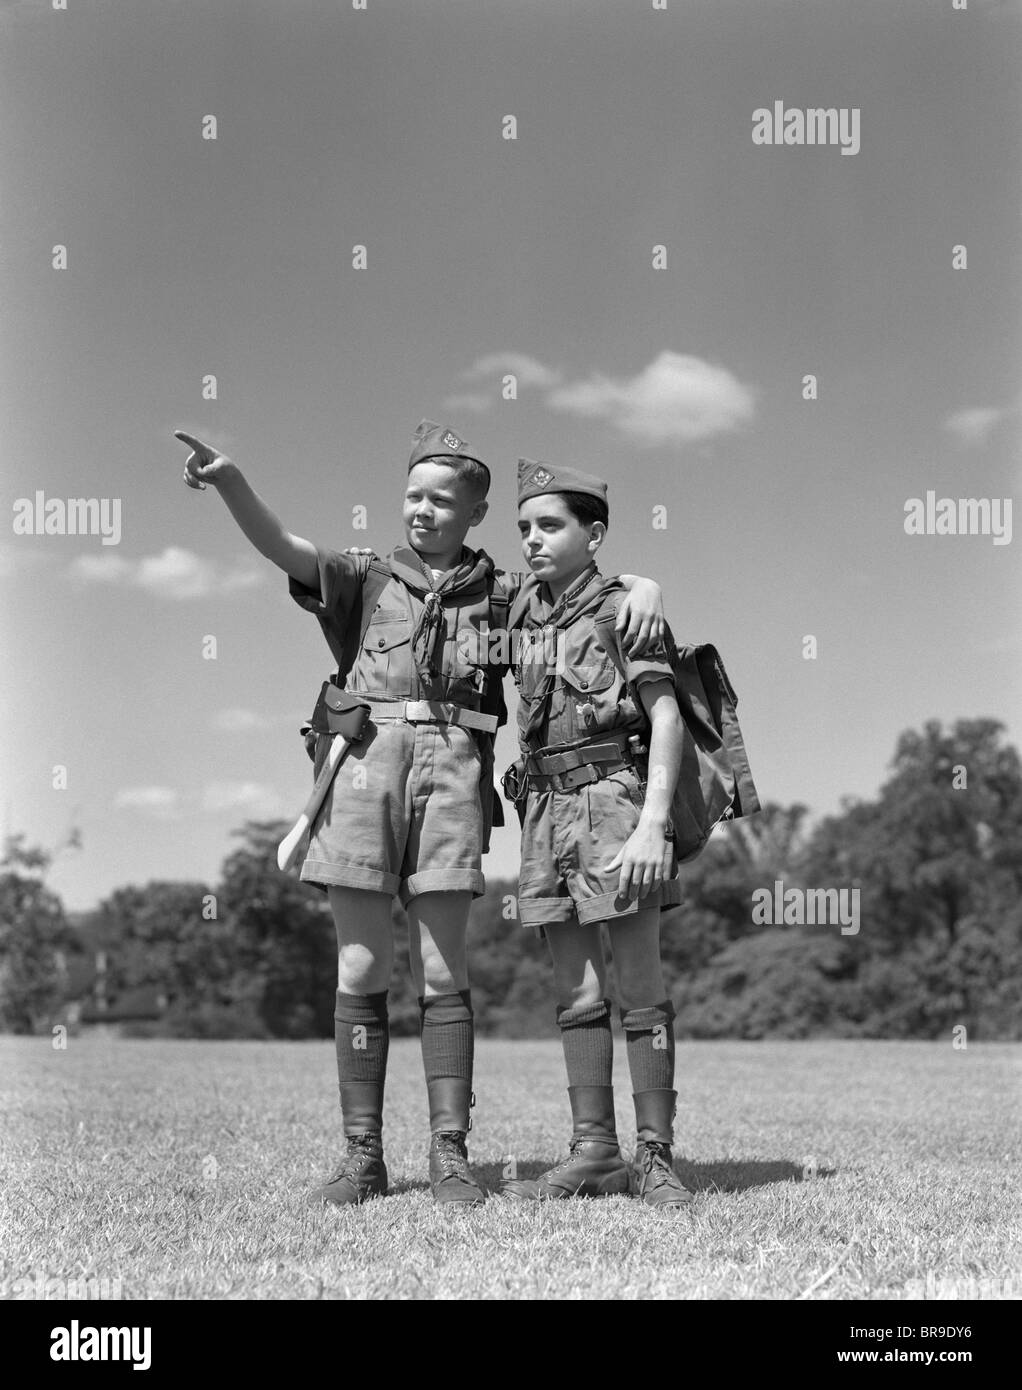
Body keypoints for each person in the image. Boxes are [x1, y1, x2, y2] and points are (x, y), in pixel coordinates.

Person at [175, 422, 665, 1208]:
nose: (423, 511)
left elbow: (588, 588)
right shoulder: (367, 579)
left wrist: (646, 586)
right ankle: (362, 1156)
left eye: (443, 500)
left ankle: (449, 1154)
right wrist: (232, 481)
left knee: (444, 966)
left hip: (454, 772)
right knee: (362, 965)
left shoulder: (507, 594)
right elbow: (284, 546)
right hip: (365, 771)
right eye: (412, 496)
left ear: (475, 514)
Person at [500, 457, 694, 1209]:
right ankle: (595, 1151)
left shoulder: (625, 610)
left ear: (596, 533)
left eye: (550, 525)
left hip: (616, 803)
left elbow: (667, 719)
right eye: (524, 527)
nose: (533, 540)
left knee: (640, 981)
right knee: (575, 987)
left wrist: (652, 827)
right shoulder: (519, 612)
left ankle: (655, 1157)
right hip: (543, 811)